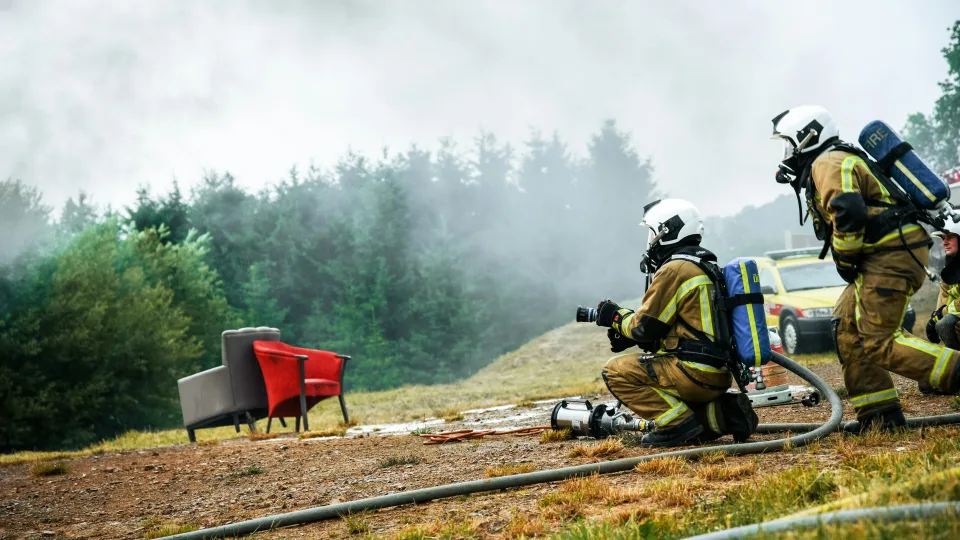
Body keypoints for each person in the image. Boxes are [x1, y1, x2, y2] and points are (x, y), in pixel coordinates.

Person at [770, 105, 960, 431]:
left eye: (790, 142)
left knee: (879, 341)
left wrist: (844, 259)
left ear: (807, 137)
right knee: (846, 326)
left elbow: (848, 210)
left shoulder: (827, 161)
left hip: (889, 255)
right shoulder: (836, 159)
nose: (788, 152)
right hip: (882, 255)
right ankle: (879, 415)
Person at [596, 198, 758, 448]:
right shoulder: (703, 265)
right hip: (717, 374)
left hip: (692, 373)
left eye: (652, 233)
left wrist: (615, 317)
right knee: (680, 399)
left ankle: (676, 425)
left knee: (615, 371)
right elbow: (673, 328)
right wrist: (639, 338)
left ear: (667, 231)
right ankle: (724, 415)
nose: (650, 241)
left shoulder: (675, 270)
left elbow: (642, 327)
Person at [922, 220, 960, 394]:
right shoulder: (950, 269)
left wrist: (941, 316)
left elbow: (947, 312)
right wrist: (934, 317)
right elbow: (943, 302)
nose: (944, 242)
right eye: (943, 238)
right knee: (925, 384)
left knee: (944, 323)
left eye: (950, 237)